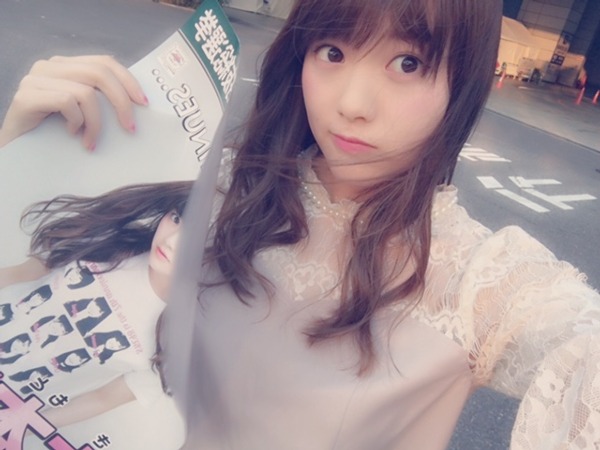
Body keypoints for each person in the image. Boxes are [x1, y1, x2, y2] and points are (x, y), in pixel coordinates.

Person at [0, 0, 599, 449]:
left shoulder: (476, 282)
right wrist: (23, 151)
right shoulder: (215, 179)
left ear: (462, 81)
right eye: (332, 52)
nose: (352, 103)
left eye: (407, 62)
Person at [0, 182, 191, 439]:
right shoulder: (115, 240)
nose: (170, 241)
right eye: (176, 218)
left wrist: (18, 427)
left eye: (194, 240)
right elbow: (20, 274)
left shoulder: (176, 341)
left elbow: (102, 398)